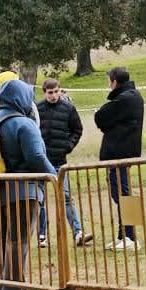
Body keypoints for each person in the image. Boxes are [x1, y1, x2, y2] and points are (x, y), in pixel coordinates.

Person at [0, 79, 59, 290]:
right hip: (23, 192)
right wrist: (54, 177)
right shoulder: (24, 124)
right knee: (18, 240)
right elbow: (36, 157)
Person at [91, 65, 145, 248]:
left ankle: (130, 236)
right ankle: (124, 235)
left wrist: (102, 120)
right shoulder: (132, 96)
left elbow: (101, 118)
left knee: (123, 194)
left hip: (119, 152)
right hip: (123, 151)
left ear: (114, 82)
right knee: (122, 193)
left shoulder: (125, 99)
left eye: (109, 81)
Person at [37, 75, 85, 244]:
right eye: (50, 92)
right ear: (44, 93)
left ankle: (78, 232)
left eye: (56, 91)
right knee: (39, 199)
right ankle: (41, 234)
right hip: (41, 160)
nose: (54, 95)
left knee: (66, 197)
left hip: (59, 160)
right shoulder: (37, 108)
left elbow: (77, 129)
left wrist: (68, 146)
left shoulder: (68, 108)